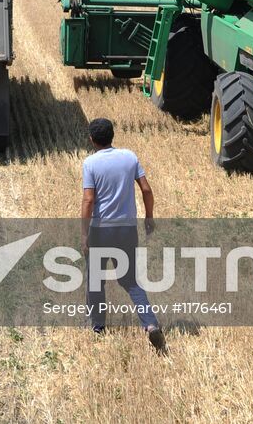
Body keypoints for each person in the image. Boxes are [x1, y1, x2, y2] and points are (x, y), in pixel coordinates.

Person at [80, 117, 166, 351]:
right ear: (112, 136)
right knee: (129, 280)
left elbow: (89, 200)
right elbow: (146, 189)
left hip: (101, 231)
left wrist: (84, 235)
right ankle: (150, 324)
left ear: (91, 139)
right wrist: (149, 217)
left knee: (96, 280)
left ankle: (97, 327)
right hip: (127, 230)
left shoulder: (90, 163)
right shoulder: (129, 157)